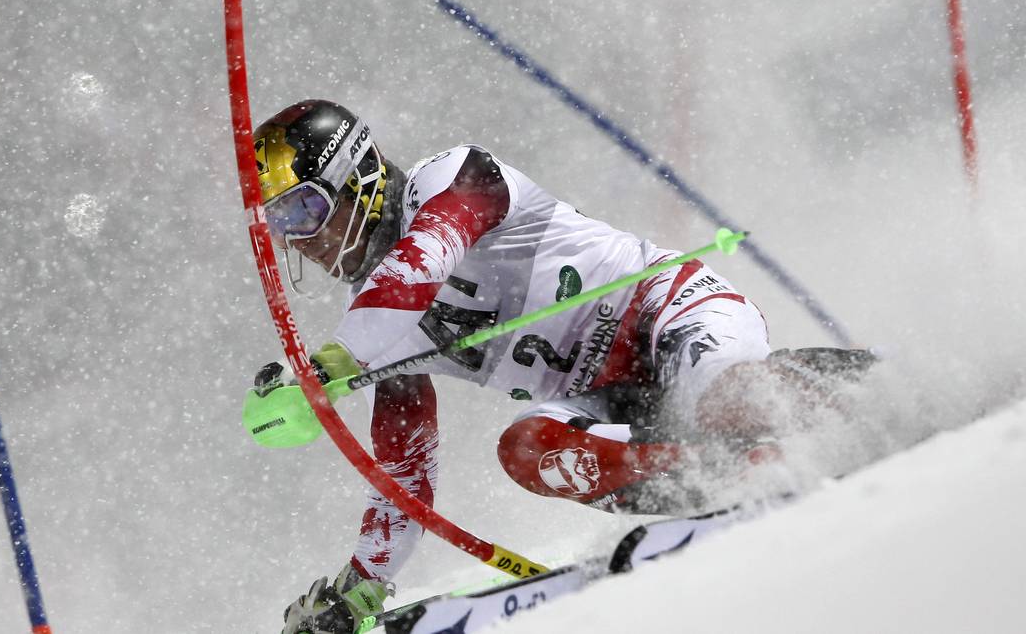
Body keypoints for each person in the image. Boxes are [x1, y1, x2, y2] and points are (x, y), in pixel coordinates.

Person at [250, 100, 870, 634]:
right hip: (617, 400)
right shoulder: (373, 322)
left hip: (668, 313)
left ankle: (877, 392)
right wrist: (358, 590)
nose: (299, 240)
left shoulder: (453, 177)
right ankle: (735, 473)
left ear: (358, 179)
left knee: (723, 402)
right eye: (280, 224)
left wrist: (327, 364)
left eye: (303, 211)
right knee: (527, 449)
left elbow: (421, 264)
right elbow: (403, 472)